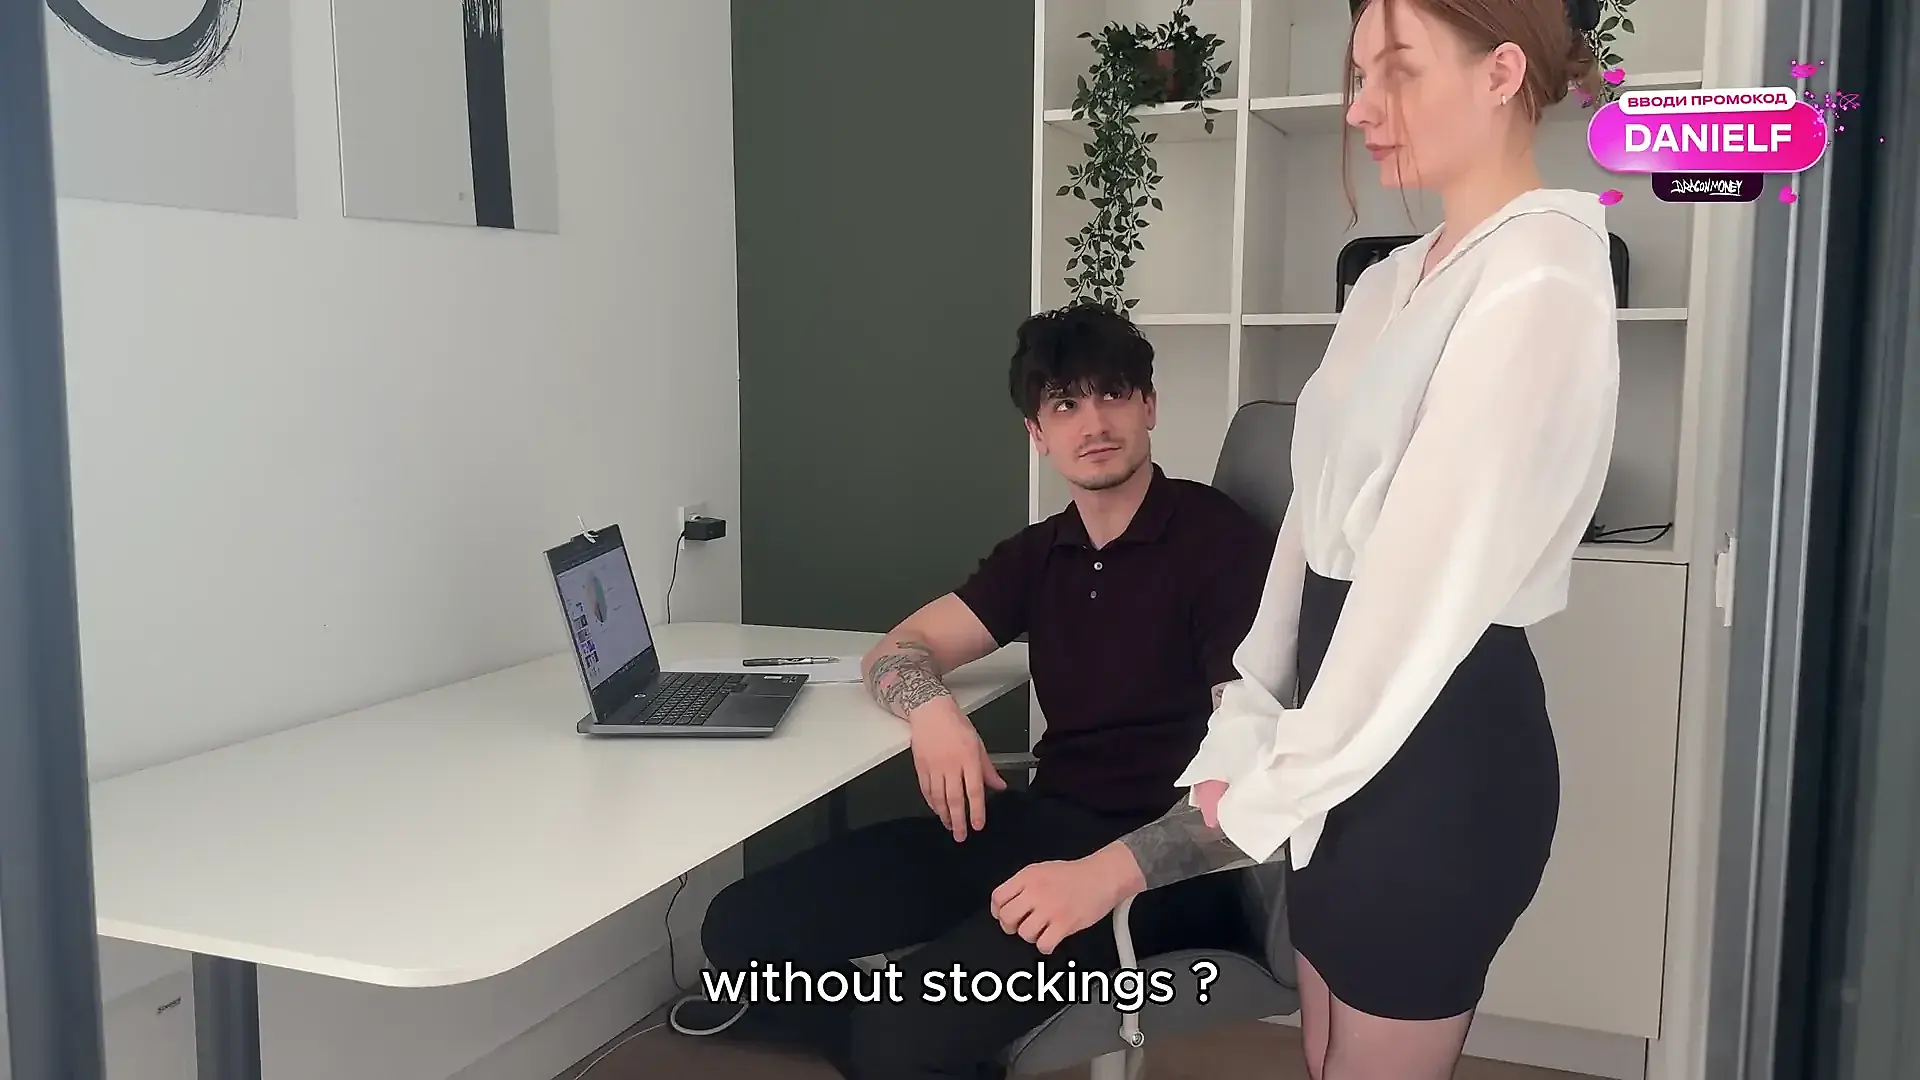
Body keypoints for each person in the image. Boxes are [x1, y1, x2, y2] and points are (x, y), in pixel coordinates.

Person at [985, 0, 1619, 1078]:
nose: (1362, 107)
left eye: (1397, 71)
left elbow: (1415, 605)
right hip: (1332, 742)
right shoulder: (1388, 281)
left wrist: (1222, 816)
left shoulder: (1542, 275)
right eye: (1359, 74)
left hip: (1431, 750)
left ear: (1502, 71)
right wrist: (1246, 730)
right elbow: (1311, 527)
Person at [667, 302, 1277, 1079]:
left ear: (1148, 406)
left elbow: (1251, 780)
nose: (1093, 423)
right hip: (1039, 829)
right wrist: (934, 712)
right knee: (741, 929)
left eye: (1113, 395)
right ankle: (908, 1042)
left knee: (895, 1043)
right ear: (1037, 432)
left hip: (1155, 876)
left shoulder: (1217, 543)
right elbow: (898, 651)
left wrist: (1103, 874)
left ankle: (900, 1042)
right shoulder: (1042, 554)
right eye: (1065, 404)